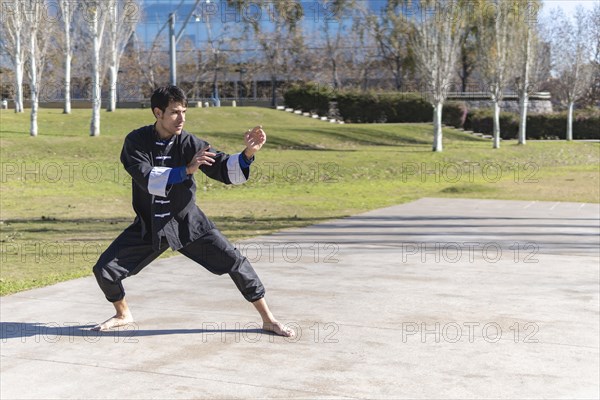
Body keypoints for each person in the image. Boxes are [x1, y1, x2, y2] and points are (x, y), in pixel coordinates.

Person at [91, 85, 294, 337]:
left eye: (184, 111)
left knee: (235, 262)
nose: (182, 118)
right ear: (158, 112)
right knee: (104, 270)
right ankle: (123, 314)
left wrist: (248, 153)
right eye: (175, 112)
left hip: (188, 223)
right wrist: (186, 170)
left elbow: (222, 166)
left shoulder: (189, 142)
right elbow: (145, 176)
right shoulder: (136, 141)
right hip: (150, 226)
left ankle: (268, 319)